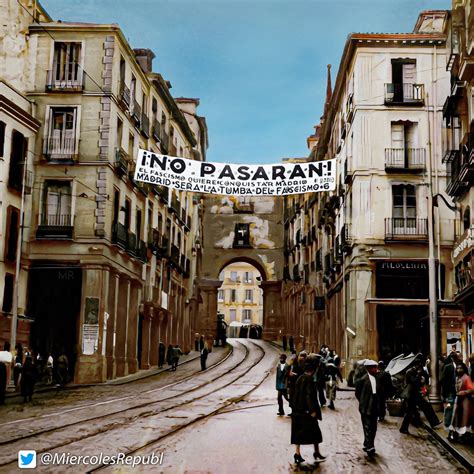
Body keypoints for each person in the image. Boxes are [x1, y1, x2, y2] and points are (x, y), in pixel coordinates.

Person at [291, 354, 326, 464]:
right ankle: (316, 452)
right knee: (315, 433)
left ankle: (297, 454)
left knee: (298, 434)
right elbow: (308, 396)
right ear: (313, 369)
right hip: (307, 413)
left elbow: (294, 394)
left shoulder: (300, 378)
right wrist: (312, 411)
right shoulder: (309, 379)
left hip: (297, 411)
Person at [400, 356, 441, 434]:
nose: (419, 367)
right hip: (411, 395)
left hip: (416, 394)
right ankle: (403, 428)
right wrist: (418, 374)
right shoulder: (409, 372)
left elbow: (426, 376)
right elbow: (414, 381)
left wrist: (422, 372)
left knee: (427, 406)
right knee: (410, 412)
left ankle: (434, 422)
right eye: (418, 365)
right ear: (415, 365)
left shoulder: (418, 370)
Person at [355, 359, 381, 456]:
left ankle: (368, 443)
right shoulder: (362, 380)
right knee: (367, 426)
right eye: (374, 368)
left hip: (375, 404)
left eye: (376, 367)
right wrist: (363, 401)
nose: (376, 369)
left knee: (373, 427)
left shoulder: (378, 378)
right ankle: (370, 446)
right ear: (369, 369)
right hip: (366, 405)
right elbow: (357, 393)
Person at [448, 362, 474, 441]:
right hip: (458, 400)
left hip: (466, 401)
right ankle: (455, 434)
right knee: (456, 418)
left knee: (464, 419)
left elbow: (472, 389)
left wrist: (464, 392)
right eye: (458, 368)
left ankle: (463, 435)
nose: (459, 370)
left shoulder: (466, 378)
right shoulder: (457, 377)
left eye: (461, 368)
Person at [440, 354, 457, 432]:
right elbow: (443, 380)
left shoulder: (461, 366)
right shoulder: (448, 367)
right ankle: (447, 424)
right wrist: (444, 393)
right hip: (450, 391)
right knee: (449, 407)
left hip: (458, 391)